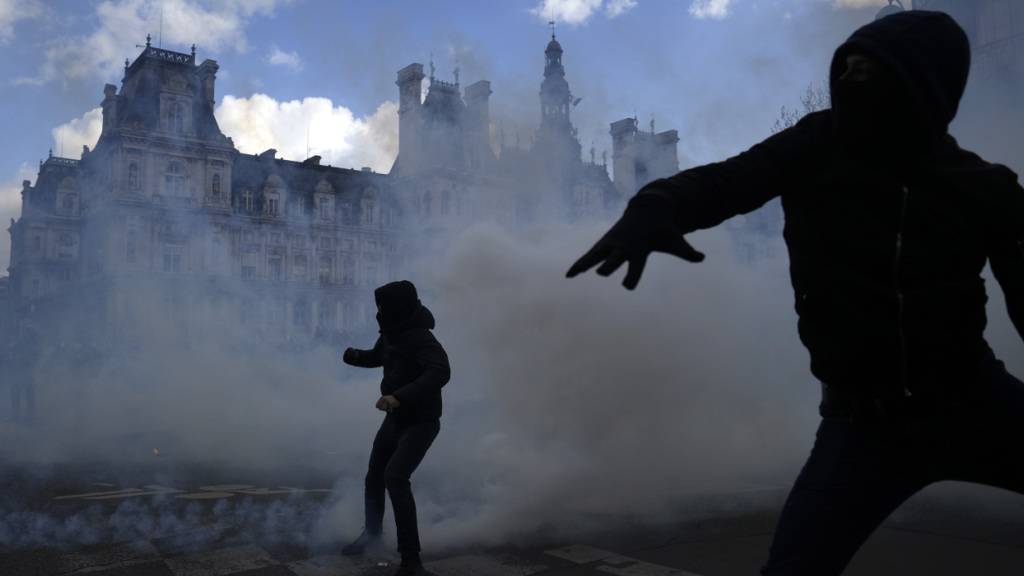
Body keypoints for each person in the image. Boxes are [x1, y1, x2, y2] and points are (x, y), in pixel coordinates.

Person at [567, 10, 1023, 576]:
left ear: (927, 84)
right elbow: (727, 181)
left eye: (871, 70)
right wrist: (656, 205)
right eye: (847, 67)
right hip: (864, 424)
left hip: (973, 402)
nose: (853, 82)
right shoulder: (819, 144)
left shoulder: (985, 186)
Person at [341, 280, 450, 576]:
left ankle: (411, 560)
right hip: (394, 421)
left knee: (395, 478)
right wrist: (356, 357)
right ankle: (372, 535)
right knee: (374, 475)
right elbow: (380, 357)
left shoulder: (421, 338)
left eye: (383, 306)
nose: (379, 312)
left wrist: (398, 396)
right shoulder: (392, 334)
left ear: (397, 307)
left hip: (421, 422)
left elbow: (440, 371)